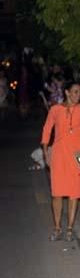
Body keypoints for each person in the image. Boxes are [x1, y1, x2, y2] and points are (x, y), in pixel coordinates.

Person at [41, 82, 80, 240]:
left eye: (79, 92)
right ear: (67, 92)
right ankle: (57, 228)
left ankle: (70, 228)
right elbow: (47, 129)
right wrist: (45, 151)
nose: (78, 95)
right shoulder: (55, 109)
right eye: (76, 92)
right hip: (58, 155)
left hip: (77, 156)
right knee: (57, 194)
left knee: (74, 193)